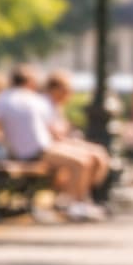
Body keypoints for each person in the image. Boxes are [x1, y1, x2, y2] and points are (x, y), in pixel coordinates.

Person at [0, 66, 105, 222]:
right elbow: (52, 129)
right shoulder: (31, 100)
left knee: (84, 159)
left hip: (34, 149)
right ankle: (73, 205)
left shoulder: (4, 98)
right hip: (36, 151)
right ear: (29, 82)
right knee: (80, 162)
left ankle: (74, 202)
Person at [43, 70, 113, 199]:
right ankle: (74, 199)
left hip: (60, 144)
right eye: (66, 90)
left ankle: (82, 196)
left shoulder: (57, 107)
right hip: (51, 147)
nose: (69, 94)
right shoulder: (45, 105)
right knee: (83, 161)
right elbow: (54, 135)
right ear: (55, 89)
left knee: (99, 154)